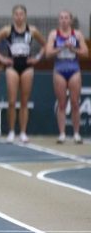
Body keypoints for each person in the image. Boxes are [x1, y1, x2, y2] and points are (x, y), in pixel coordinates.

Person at [0, 5, 47, 143]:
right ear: (13, 16)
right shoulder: (7, 30)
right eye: (16, 14)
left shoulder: (32, 30)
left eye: (21, 14)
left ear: (25, 16)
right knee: (11, 101)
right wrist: (1, 58)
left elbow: (45, 44)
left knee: (24, 101)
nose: (19, 17)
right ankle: (11, 131)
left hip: (27, 65)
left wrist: (37, 58)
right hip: (12, 65)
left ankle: (23, 132)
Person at [45, 10, 88, 144]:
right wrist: (61, 47)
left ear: (70, 20)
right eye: (61, 18)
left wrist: (73, 49)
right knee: (62, 103)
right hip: (59, 68)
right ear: (59, 21)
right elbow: (47, 54)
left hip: (74, 68)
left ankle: (76, 133)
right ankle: (62, 134)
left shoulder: (77, 34)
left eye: (66, 18)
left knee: (75, 102)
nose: (63, 20)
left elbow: (86, 53)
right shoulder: (54, 34)